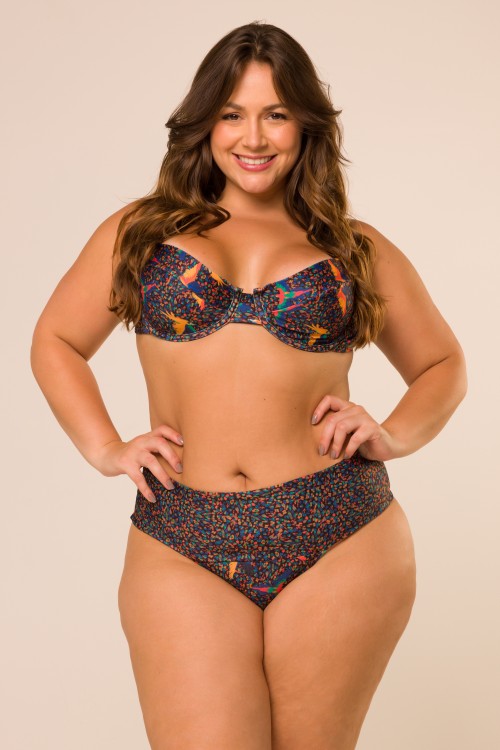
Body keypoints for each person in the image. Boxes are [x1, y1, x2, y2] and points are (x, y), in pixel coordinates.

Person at [30, 20, 467, 750]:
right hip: (182, 536)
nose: (253, 137)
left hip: (339, 531)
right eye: (232, 114)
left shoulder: (352, 248)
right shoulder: (141, 233)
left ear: (306, 125)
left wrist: (392, 434)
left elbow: (443, 365)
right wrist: (105, 447)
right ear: (205, 123)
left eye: (276, 114)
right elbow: (56, 341)